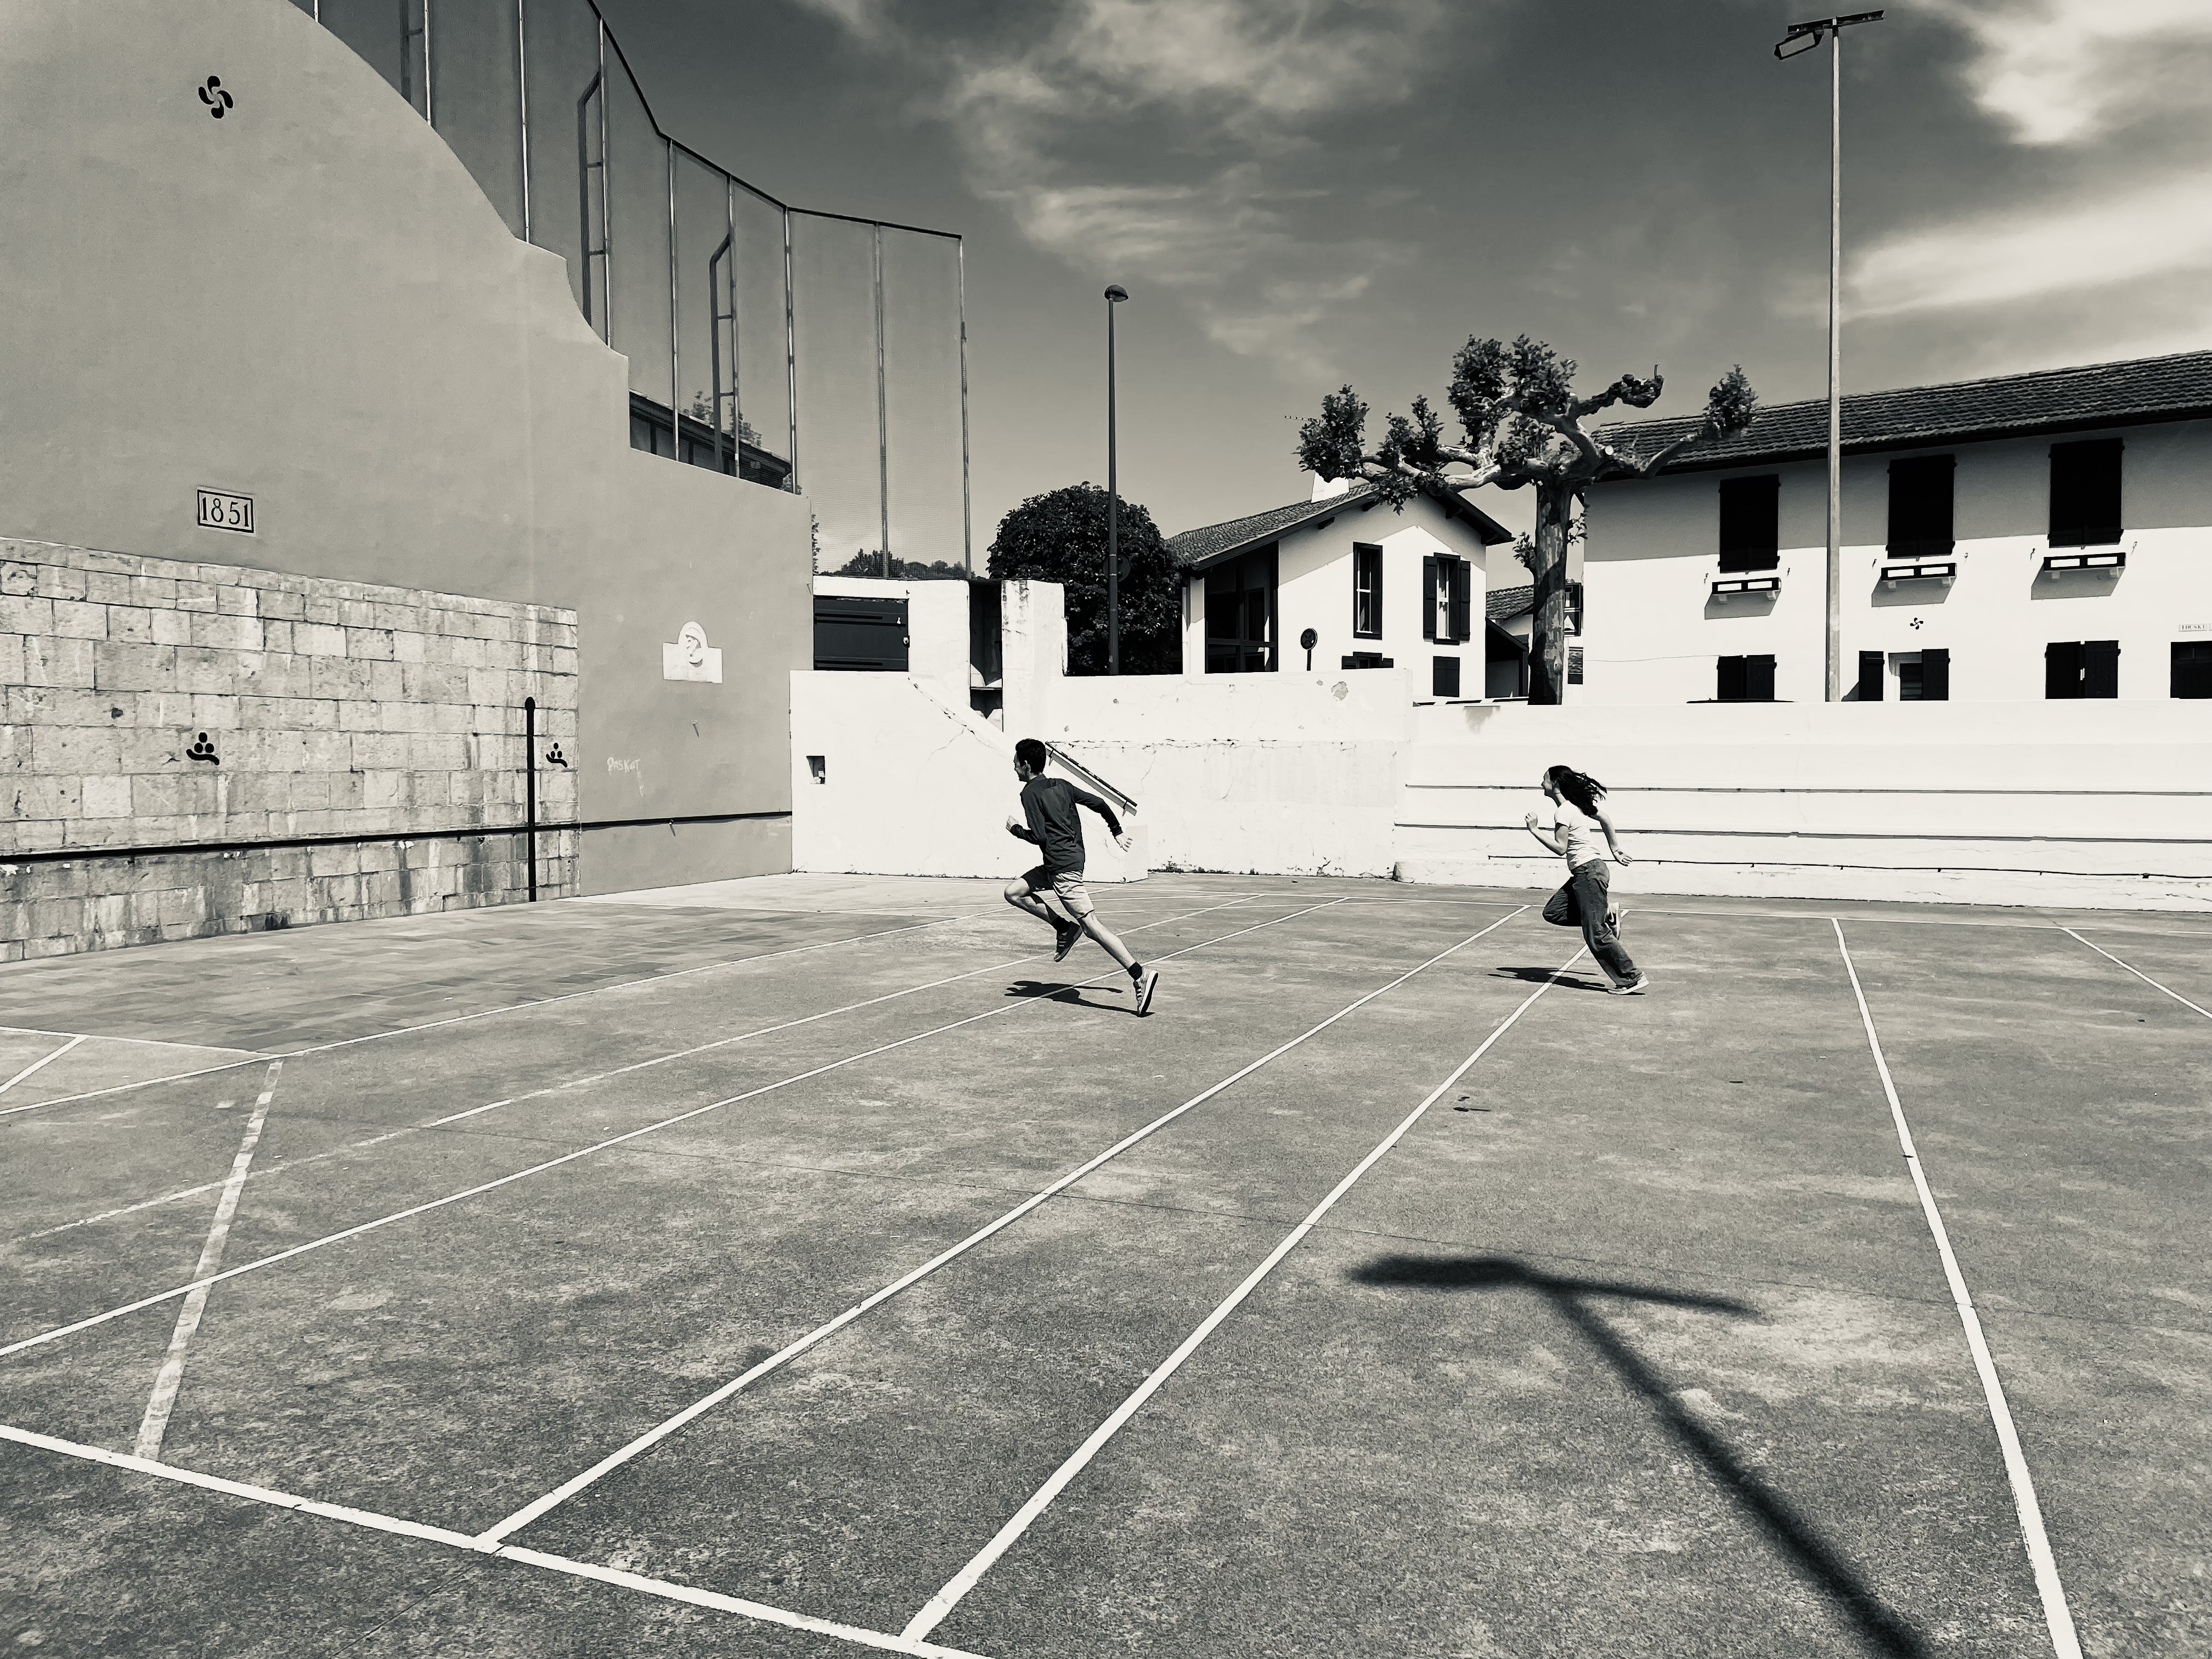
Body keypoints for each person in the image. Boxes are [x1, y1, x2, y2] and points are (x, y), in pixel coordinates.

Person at [1003, 738, 1161, 1015]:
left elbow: (1039, 837)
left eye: (1016, 761)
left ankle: (1140, 974)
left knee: (1093, 928)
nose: (1013, 766)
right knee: (1014, 893)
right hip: (1065, 863)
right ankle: (1064, 928)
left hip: (1062, 869)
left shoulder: (1029, 793)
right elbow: (1099, 803)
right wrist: (1117, 831)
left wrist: (1016, 829)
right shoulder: (1061, 785)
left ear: (1026, 765)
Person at [1524, 764, 1649, 995]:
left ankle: (1631, 978)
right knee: (1553, 912)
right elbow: (1606, 818)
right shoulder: (1578, 807)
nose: (1542, 784)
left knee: (1596, 935)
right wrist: (1615, 849)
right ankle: (1605, 916)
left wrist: (1534, 830)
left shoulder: (1564, 810)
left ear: (1555, 784)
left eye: (1545, 780)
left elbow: (1561, 848)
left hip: (1588, 873)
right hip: (1587, 872)